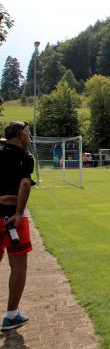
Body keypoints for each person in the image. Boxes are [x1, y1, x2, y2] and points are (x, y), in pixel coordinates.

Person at [0, 121, 35, 331]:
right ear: (20, 135)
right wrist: (20, 212)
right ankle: (11, 315)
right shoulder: (25, 157)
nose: (30, 135)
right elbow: (24, 184)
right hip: (13, 219)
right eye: (28, 132)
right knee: (18, 267)